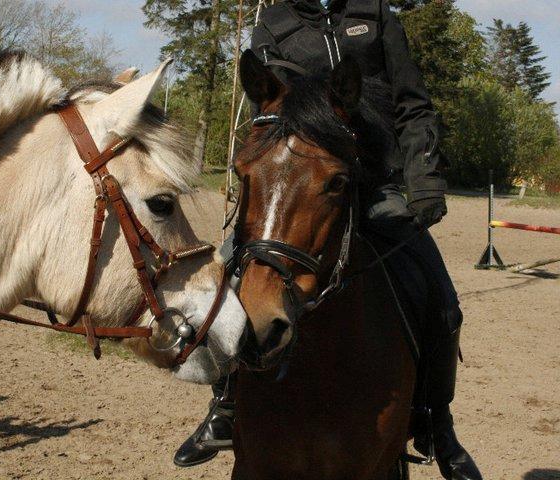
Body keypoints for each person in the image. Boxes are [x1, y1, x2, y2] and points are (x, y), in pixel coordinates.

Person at [172, 1, 483, 479]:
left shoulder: (377, 15)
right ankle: (226, 404)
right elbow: (269, 105)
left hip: (373, 181)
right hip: (301, 175)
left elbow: (412, 103)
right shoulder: (275, 24)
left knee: (440, 296)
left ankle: (437, 421)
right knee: (234, 267)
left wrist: (424, 180)